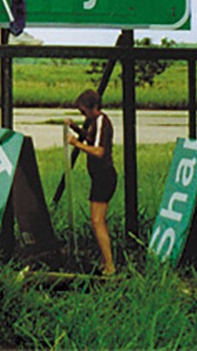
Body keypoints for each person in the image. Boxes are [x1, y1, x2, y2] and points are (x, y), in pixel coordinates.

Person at [65, 89, 117, 276]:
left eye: (84, 111)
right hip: (100, 177)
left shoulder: (102, 121)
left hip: (104, 176)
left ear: (94, 107)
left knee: (97, 221)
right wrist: (75, 128)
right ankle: (105, 262)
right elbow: (91, 138)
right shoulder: (96, 122)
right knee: (97, 221)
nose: (83, 114)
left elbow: (99, 151)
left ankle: (110, 266)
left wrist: (75, 144)